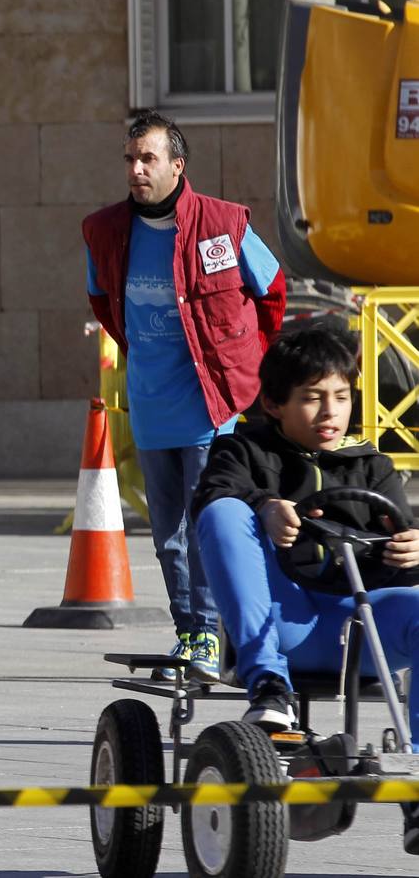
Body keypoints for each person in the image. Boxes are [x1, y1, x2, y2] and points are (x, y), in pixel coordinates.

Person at [191, 326, 419, 854]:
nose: (330, 412)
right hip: (281, 620)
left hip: (357, 632)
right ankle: (270, 691)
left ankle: (415, 771)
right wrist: (262, 505)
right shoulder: (242, 451)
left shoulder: (373, 467)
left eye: (340, 397)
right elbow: (213, 498)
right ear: (274, 403)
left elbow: (400, 568)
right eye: (313, 399)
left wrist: (411, 551)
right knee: (224, 512)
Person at [82, 111, 286, 682]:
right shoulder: (104, 233)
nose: (137, 169)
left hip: (211, 409)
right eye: (130, 159)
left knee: (208, 525)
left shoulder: (221, 225)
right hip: (151, 409)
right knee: (166, 534)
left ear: (177, 164)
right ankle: (191, 630)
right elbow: (105, 304)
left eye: (148, 158)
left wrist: (247, 360)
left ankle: (212, 631)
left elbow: (270, 291)